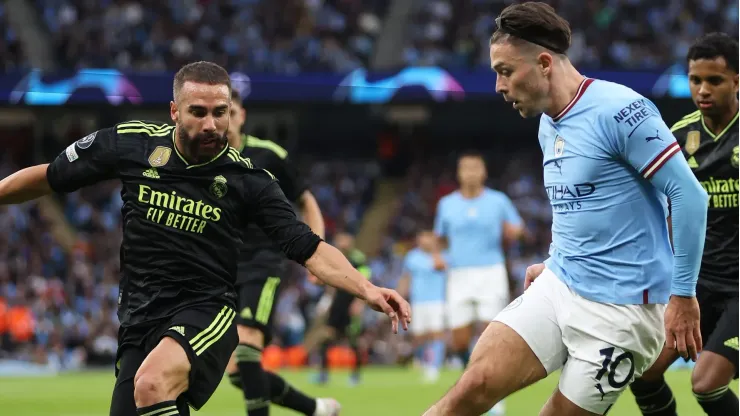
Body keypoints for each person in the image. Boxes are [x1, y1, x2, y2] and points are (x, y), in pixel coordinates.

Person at [0, 61, 410, 416]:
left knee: (152, 385)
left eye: (221, 112)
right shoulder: (131, 144)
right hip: (138, 315)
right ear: (175, 111)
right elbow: (51, 176)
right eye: (198, 112)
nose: (211, 124)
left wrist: (366, 288)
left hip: (205, 311)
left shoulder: (249, 181)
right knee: (145, 397)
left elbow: (310, 249)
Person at [423, 3, 708, 416]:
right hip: (561, 285)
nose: (499, 86)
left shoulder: (621, 110)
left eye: (505, 71)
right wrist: (556, 258)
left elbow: (689, 197)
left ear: (543, 63)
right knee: (472, 387)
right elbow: (577, 204)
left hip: (623, 313)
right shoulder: (547, 123)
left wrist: (683, 294)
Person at [629, 32, 739, 416]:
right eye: (696, 80)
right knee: (642, 372)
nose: (703, 89)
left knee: (706, 383)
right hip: (697, 286)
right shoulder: (679, 136)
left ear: (737, 81)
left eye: (715, 80)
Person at [223, 89, 340, 415]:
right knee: (236, 373)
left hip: (262, 264)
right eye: (219, 112)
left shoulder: (268, 155)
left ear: (242, 116)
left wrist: (317, 255)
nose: (225, 119)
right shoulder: (203, 160)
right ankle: (316, 408)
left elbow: (305, 200)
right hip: (220, 269)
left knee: (248, 350)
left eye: (230, 111)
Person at [433, 150, 523, 414]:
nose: (471, 173)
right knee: (460, 340)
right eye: (466, 168)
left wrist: (514, 232)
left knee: (490, 334)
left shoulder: (498, 201)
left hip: (490, 272)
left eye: (475, 168)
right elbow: (439, 239)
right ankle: (472, 384)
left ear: (483, 172)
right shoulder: (447, 204)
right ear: (459, 173)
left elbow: (517, 227)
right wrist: (438, 257)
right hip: (459, 273)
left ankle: (492, 393)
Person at [397, 230, 448, 383]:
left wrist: (434, 249)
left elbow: (440, 266)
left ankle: (434, 367)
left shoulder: (442, 255)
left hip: (437, 300)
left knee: (436, 333)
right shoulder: (412, 257)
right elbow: (406, 278)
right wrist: (398, 296)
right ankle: (423, 362)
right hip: (418, 301)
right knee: (419, 336)